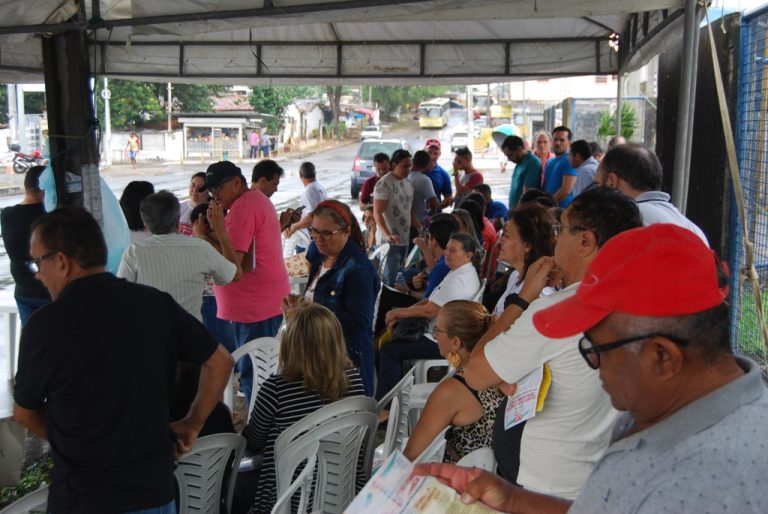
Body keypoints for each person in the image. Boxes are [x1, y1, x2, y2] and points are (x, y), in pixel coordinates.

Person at [416, 223, 768, 514]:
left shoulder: (708, 482)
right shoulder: (664, 414)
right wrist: (516, 501)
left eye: (596, 348)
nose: (594, 366)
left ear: (663, 357)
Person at [13, 207, 234, 513]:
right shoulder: (154, 304)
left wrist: (73, 443)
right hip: (153, 491)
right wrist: (192, 423)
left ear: (61, 262)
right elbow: (221, 362)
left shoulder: (44, 326)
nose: (38, 274)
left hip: (85, 497)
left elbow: (24, 412)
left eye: (38, 262)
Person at [462, 187, 643, 499]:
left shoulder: (558, 310)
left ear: (585, 241)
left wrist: (523, 298)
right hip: (600, 479)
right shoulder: (641, 302)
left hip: (543, 483)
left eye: (561, 229)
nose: (555, 238)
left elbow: (475, 373)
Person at [242, 303, 365, 514]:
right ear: (336, 341)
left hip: (288, 496)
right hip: (342, 488)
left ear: (290, 344)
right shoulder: (354, 380)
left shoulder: (276, 389)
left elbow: (253, 442)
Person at [200, 161, 290, 403]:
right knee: (258, 373)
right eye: (211, 191)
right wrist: (214, 233)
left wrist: (209, 235)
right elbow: (244, 257)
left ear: (237, 183)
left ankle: (258, 434)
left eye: (218, 188)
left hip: (255, 307)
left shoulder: (243, 208)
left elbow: (234, 266)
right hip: (258, 304)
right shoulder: (252, 201)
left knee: (255, 376)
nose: (214, 195)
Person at [281, 200, 380, 396]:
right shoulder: (319, 256)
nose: (318, 239)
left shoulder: (358, 269)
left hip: (345, 362)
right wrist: (299, 304)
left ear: (346, 230)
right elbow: (318, 299)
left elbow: (358, 322)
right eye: (314, 231)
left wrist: (305, 315)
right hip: (317, 356)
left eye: (327, 233)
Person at [377, 233, 481, 401]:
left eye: (453, 250)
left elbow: (429, 311)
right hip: (442, 330)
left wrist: (396, 313)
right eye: (447, 248)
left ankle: (387, 407)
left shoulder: (459, 280)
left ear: (468, 255)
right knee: (392, 335)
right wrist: (403, 312)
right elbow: (431, 299)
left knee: (389, 351)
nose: (447, 253)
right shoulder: (461, 271)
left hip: (441, 340)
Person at [404, 300, 504, 463]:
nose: (435, 336)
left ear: (456, 342)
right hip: (491, 475)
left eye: (437, 331)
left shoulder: (452, 391)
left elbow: (412, 456)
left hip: (455, 481)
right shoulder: (501, 373)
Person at [117, 190, 241, 320]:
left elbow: (120, 297)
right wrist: (222, 234)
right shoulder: (201, 247)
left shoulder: (134, 252)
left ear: (146, 224)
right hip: (190, 334)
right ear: (178, 220)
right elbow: (235, 275)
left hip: (151, 333)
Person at [595, 143, 709, 245]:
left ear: (611, 181)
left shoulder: (624, 221)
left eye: (597, 185)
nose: (595, 194)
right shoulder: (694, 230)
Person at [1, 166, 51, 325]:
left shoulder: (7, 214)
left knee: (32, 342)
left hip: (22, 290)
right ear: (46, 188)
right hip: (48, 291)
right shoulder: (49, 216)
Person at [374, 149, 419, 286]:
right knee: (390, 281)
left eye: (409, 166)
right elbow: (377, 213)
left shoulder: (408, 183)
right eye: (404, 166)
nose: (408, 169)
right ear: (394, 165)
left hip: (404, 238)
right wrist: (388, 235)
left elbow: (409, 209)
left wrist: (419, 227)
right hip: (389, 242)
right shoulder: (384, 184)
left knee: (401, 277)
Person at [284, 161, 327, 238]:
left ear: (300, 175)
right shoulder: (319, 187)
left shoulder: (310, 191)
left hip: (307, 237)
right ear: (315, 173)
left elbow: (311, 218)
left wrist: (294, 226)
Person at [502, 135, 542, 208]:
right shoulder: (519, 163)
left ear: (519, 149)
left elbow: (528, 194)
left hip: (522, 212)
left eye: (510, 155)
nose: (509, 159)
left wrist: (517, 213)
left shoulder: (533, 163)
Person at [543, 126, 578, 208]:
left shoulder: (570, 161)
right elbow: (545, 187)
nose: (557, 143)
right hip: (549, 211)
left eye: (562, 140)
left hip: (563, 212)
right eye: (555, 139)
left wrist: (548, 205)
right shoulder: (549, 162)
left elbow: (566, 190)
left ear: (569, 143)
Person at [409, 150, 439, 226]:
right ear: (427, 164)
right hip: (420, 220)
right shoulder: (424, 180)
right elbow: (433, 202)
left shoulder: (404, 176)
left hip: (405, 220)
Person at [423, 139, 454, 209]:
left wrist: (439, 206)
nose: (431, 156)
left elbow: (448, 197)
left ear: (440, 154)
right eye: (429, 152)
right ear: (423, 151)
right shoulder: (415, 170)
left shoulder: (443, 174)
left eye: (435, 153)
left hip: (434, 216)